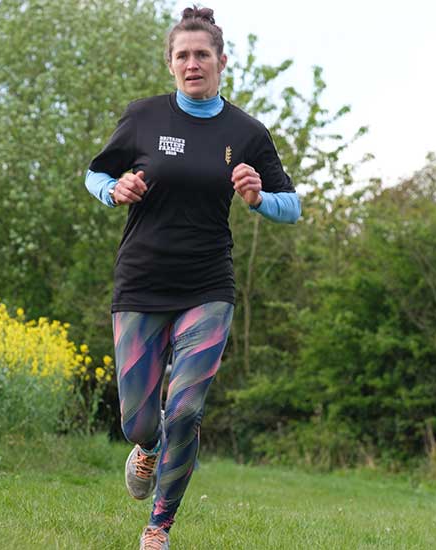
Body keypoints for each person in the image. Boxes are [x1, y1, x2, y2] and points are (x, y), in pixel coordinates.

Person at [85, 5, 301, 549]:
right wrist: (114, 190)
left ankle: (159, 526)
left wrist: (257, 199)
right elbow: (96, 171)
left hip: (208, 284)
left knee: (184, 409)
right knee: (139, 421)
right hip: (141, 281)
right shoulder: (143, 118)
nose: (192, 63)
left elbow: (291, 205)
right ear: (170, 63)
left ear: (222, 61)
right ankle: (146, 448)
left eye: (202, 53)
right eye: (182, 54)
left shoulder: (247, 132)